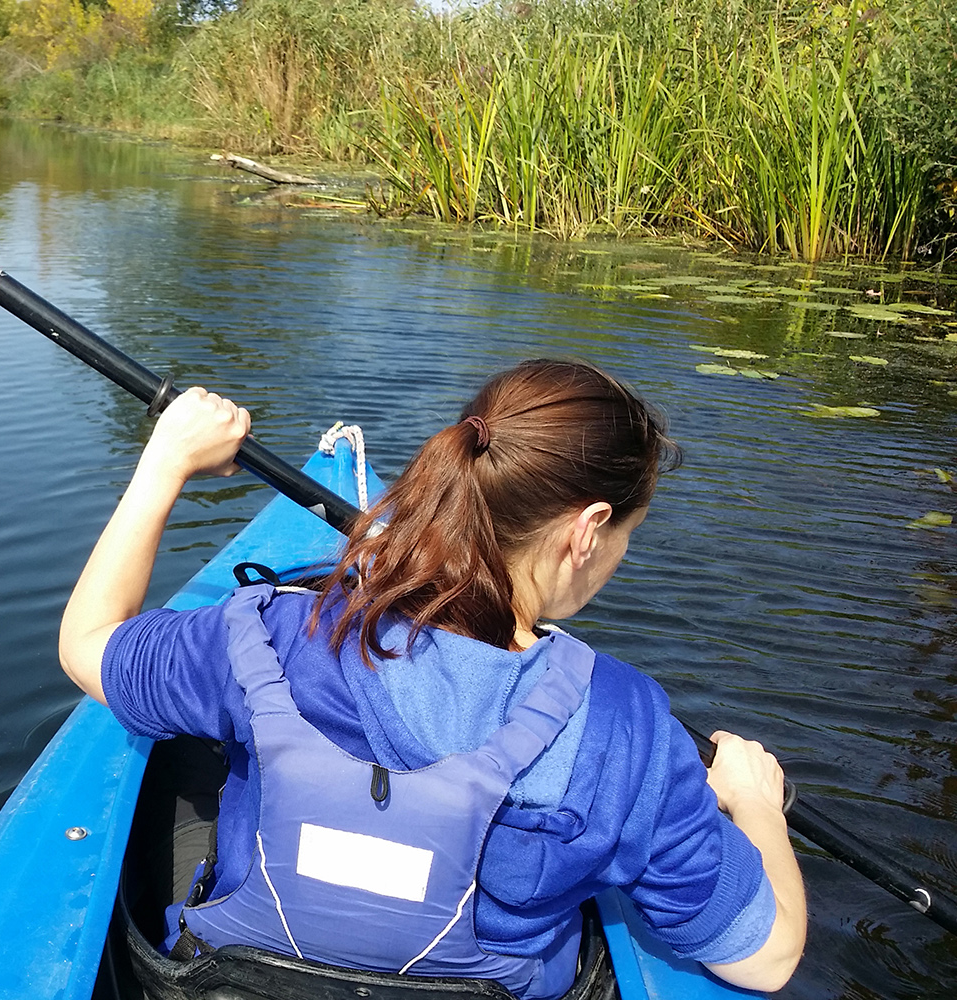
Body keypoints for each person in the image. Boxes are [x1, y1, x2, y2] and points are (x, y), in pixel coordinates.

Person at [58, 360, 806, 999]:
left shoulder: (270, 635)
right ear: (587, 527)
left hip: (247, 979)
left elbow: (87, 643)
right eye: (627, 537)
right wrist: (754, 802)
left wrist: (166, 462)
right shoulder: (626, 728)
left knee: (190, 749)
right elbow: (768, 958)